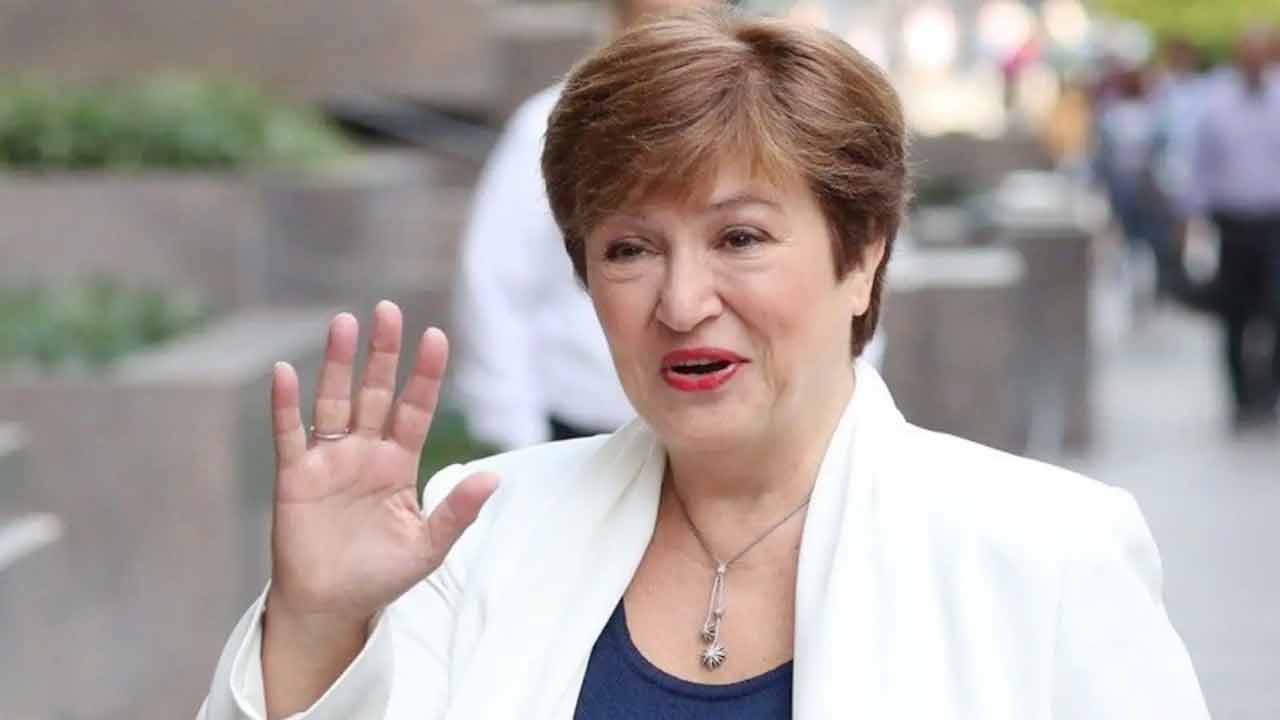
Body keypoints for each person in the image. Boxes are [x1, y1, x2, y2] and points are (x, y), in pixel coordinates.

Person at [199, 10, 1208, 718]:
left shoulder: (1048, 552)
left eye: (739, 239)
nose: (681, 304)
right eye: (629, 250)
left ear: (861, 255)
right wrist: (317, 630)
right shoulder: (481, 533)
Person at [451, 0, 724, 450]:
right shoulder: (550, 122)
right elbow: (494, 282)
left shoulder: (744, 118)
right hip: (580, 421)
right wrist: (516, 436)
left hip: (717, 422)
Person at [1186, 27, 1280, 428]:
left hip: (1274, 223)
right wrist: (1190, 220)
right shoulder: (1217, 106)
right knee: (1234, 314)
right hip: (1233, 223)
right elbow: (1201, 168)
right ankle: (1240, 396)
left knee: (1275, 309)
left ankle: (1268, 392)